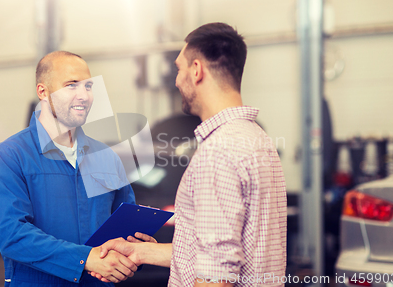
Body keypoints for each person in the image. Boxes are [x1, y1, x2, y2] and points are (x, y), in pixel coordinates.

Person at [92, 22, 287, 287]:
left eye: (179, 68)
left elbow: (216, 274)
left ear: (196, 71)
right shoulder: (259, 140)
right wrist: (140, 252)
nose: (176, 80)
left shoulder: (217, 152)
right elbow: (217, 254)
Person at [0, 51, 138, 287]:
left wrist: (138, 246)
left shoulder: (107, 158)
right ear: (43, 92)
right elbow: (13, 236)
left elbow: (126, 221)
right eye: (71, 85)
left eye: (88, 86)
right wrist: (85, 259)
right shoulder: (10, 157)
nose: (84, 95)